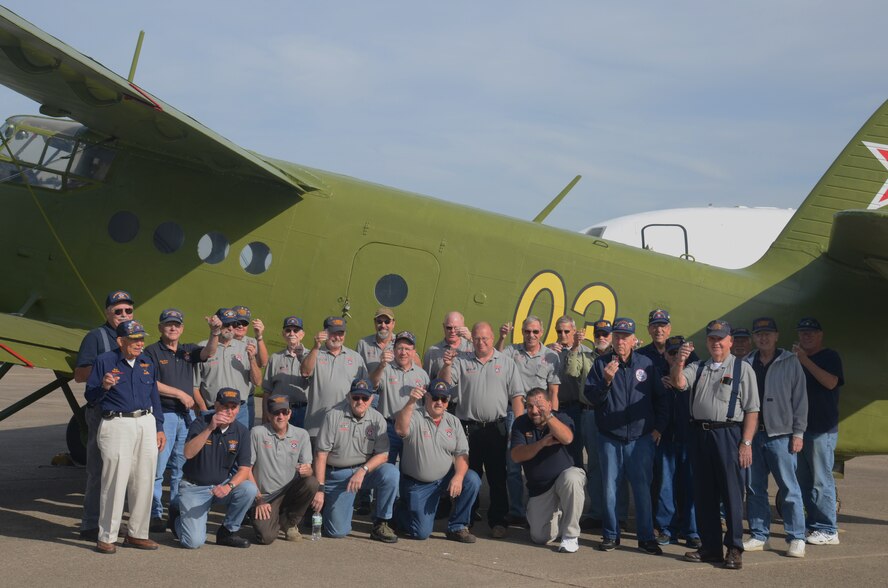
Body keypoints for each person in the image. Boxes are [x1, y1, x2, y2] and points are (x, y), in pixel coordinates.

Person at [670, 320, 759, 570]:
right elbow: (678, 382)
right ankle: (710, 547)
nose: (716, 343)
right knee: (704, 494)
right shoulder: (698, 367)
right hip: (700, 435)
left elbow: (752, 410)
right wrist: (679, 361)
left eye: (720, 338)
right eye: (712, 338)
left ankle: (734, 548)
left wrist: (746, 442)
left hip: (728, 435)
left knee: (731, 494)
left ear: (730, 341)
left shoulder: (742, 369)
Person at [586, 317, 668, 555]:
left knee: (642, 489)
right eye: (617, 336)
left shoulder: (646, 364)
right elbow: (591, 397)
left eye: (625, 337)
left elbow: (661, 399)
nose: (620, 341)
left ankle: (646, 538)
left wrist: (658, 428)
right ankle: (611, 535)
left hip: (640, 439)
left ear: (634, 340)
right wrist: (606, 381)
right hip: (610, 437)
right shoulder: (601, 364)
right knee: (610, 488)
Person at [84, 319, 165, 554]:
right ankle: (107, 536)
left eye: (141, 339)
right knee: (115, 480)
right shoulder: (105, 361)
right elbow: (90, 396)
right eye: (134, 340)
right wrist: (104, 386)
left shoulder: (147, 362)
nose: (139, 344)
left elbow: (154, 396)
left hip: (146, 422)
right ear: (120, 341)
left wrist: (159, 426)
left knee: (144, 479)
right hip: (117, 423)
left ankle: (137, 534)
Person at [439, 322, 525, 538]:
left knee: (497, 476)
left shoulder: (506, 362)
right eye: (477, 338)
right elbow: (444, 384)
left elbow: (516, 396)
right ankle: (465, 519)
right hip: (469, 428)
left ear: (492, 338)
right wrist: (447, 365)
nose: (481, 342)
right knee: (469, 475)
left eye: (485, 338)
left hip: (497, 427)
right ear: (472, 339)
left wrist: (519, 429)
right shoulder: (461, 361)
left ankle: (498, 520)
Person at [143, 309, 222, 532]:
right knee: (158, 468)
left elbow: (208, 352)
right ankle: (154, 513)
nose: (173, 328)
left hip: (185, 417)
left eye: (177, 324)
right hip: (164, 415)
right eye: (168, 324)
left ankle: (175, 512)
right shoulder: (151, 352)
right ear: (160, 328)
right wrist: (179, 393)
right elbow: (150, 382)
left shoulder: (187, 350)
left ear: (182, 328)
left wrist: (214, 333)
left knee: (181, 467)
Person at [742, 317, 808, 558]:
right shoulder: (747, 362)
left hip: (781, 435)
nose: (763, 338)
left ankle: (796, 537)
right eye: (759, 334)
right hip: (753, 435)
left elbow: (800, 399)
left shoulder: (790, 362)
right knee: (754, 488)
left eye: (768, 333)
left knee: (789, 488)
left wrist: (798, 433)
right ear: (754, 337)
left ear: (776, 336)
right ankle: (760, 535)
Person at [74, 289, 135, 540]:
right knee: (99, 471)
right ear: (107, 312)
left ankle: (112, 522)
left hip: (127, 414)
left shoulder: (134, 336)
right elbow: (80, 375)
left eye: (128, 310)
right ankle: (90, 525)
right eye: (118, 311)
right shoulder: (96, 337)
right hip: (102, 411)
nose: (123, 314)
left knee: (123, 472)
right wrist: (106, 371)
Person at [637, 310, 701, 549]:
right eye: (671, 353)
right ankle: (666, 529)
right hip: (663, 434)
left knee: (689, 484)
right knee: (665, 483)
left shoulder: (693, 366)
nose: (674, 357)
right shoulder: (648, 362)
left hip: (688, 433)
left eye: (678, 353)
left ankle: (692, 530)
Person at [311, 378, 400, 541]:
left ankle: (381, 522)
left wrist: (363, 470)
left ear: (371, 399)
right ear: (348, 396)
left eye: (365, 398)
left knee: (391, 473)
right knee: (337, 532)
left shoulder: (377, 419)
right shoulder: (333, 416)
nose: (360, 401)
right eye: (356, 397)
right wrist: (320, 489)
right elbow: (320, 455)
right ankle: (326, 507)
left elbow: (383, 455)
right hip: (337, 476)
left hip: (363, 473)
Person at [394, 380, 480, 542]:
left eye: (444, 399)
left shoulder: (453, 421)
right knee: (421, 533)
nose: (439, 402)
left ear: (448, 401)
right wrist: (411, 401)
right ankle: (399, 511)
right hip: (420, 484)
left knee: (472, 480)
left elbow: (462, 454)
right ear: (427, 397)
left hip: (445, 478)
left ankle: (457, 527)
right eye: (435, 397)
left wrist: (458, 477)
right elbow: (400, 429)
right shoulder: (414, 415)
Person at [176, 388, 258, 549]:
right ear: (216, 405)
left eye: (233, 407)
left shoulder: (241, 431)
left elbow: (244, 469)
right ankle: (176, 517)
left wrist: (229, 486)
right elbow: (188, 453)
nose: (229, 411)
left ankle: (228, 531)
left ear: (238, 409)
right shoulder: (200, 423)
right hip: (195, 487)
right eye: (225, 406)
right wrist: (210, 428)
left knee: (249, 489)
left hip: (221, 486)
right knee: (193, 542)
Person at [498, 316, 561, 526]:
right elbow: (495, 357)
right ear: (522, 332)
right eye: (527, 331)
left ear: (541, 332)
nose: (531, 335)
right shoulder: (512, 351)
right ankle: (516, 510)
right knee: (513, 464)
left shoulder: (551, 356)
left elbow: (553, 391)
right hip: (515, 413)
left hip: (542, 415)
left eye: (535, 331)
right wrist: (502, 337)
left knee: (542, 462)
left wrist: (553, 419)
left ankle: (541, 510)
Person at [511, 388, 586, 553]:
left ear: (550, 405)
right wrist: (541, 444)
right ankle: (558, 515)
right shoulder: (521, 423)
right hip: (541, 488)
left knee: (572, 478)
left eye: (540, 406)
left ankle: (570, 536)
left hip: (564, 479)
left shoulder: (562, 418)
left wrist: (548, 416)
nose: (534, 411)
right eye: (530, 406)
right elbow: (516, 456)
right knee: (540, 537)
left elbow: (567, 438)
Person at [793, 317, 844, 546]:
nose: (806, 336)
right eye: (803, 333)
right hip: (800, 429)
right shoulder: (796, 360)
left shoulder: (830, 356)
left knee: (821, 481)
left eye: (811, 332)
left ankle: (828, 529)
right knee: (804, 481)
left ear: (820, 335)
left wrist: (805, 360)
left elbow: (831, 382)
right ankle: (813, 525)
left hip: (822, 429)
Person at [248, 395, 319, 544]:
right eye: (275, 412)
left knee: (312, 482)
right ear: (268, 415)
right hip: (266, 496)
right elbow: (247, 469)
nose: (280, 416)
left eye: (284, 412)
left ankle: (290, 522)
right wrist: (258, 498)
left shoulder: (301, 434)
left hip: (289, 491)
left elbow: (309, 470)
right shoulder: (257, 432)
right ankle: (271, 517)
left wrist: (308, 471)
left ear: (290, 413)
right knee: (266, 537)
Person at [300, 317, 368, 442]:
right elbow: (305, 372)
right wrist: (316, 347)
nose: (337, 337)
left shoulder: (356, 358)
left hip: (346, 426)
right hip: (317, 426)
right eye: (333, 333)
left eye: (340, 333)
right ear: (325, 333)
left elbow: (366, 390)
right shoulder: (313, 354)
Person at [193, 308, 262, 430]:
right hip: (212, 410)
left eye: (234, 324)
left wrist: (252, 359)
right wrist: (203, 409)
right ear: (217, 324)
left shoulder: (245, 348)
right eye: (226, 324)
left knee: (238, 442)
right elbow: (194, 386)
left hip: (239, 411)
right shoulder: (203, 348)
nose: (230, 328)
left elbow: (257, 382)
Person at [370, 330, 430, 463]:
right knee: (385, 466)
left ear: (414, 352)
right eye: (400, 348)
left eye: (407, 349)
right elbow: (372, 385)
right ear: (394, 350)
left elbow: (427, 403)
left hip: (412, 428)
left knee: (410, 467)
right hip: (388, 428)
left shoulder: (422, 375)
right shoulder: (385, 369)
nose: (403, 353)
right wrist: (381, 365)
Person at [548, 316, 591, 468]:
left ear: (574, 331)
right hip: (552, 407)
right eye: (559, 331)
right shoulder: (548, 351)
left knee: (575, 449)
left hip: (575, 408)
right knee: (552, 448)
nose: (563, 335)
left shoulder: (585, 352)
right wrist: (546, 355)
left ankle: (578, 478)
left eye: (566, 331)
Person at [262, 316, 310, 427]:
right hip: (279, 411)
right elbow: (267, 390)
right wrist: (265, 415)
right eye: (288, 330)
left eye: (296, 330)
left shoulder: (311, 357)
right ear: (283, 334)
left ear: (302, 334)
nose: (291, 333)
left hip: (303, 410)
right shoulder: (275, 358)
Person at [231, 305, 268, 426]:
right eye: (237, 322)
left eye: (244, 323)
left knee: (245, 432)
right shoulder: (224, 340)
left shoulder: (252, 342)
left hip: (245, 399)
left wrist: (259, 337)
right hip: (223, 399)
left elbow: (263, 362)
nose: (240, 326)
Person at [424, 311, 473, 379]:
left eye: (456, 328)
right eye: (449, 328)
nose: (452, 331)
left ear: (463, 327)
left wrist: (472, 338)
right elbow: (426, 380)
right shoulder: (432, 352)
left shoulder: (473, 347)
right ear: (444, 327)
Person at [356, 307, 397, 374]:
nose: (383, 325)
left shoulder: (401, 343)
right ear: (375, 323)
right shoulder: (363, 344)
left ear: (393, 323)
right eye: (379, 322)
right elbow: (357, 372)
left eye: (387, 322)